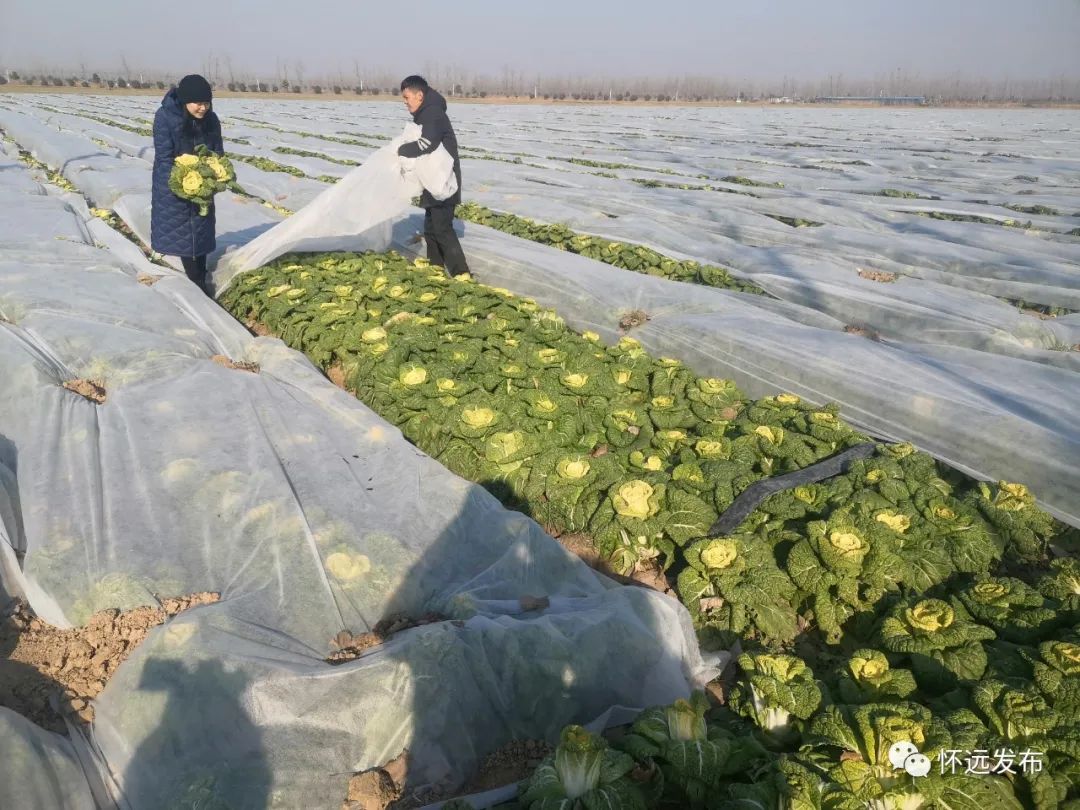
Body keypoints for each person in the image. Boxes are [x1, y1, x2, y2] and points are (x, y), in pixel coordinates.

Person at [151, 74, 224, 294]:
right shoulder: (165, 117)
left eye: (206, 103)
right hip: (173, 183)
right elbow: (163, 157)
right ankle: (197, 283)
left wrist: (213, 173)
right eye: (198, 103)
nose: (203, 108)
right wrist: (180, 180)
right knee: (184, 234)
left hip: (203, 183)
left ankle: (200, 276)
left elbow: (217, 151)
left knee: (201, 229)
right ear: (185, 101)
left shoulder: (212, 120)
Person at [397, 75, 471, 278]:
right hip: (432, 177)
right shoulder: (426, 112)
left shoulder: (432, 113)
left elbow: (426, 143)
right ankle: (436, 268)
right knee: (430, 228)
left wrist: (401, 150)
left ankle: (461, 273)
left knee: (442, 228)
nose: (405, 102)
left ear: (419, 95)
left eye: (406, 97)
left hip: (444, 180)